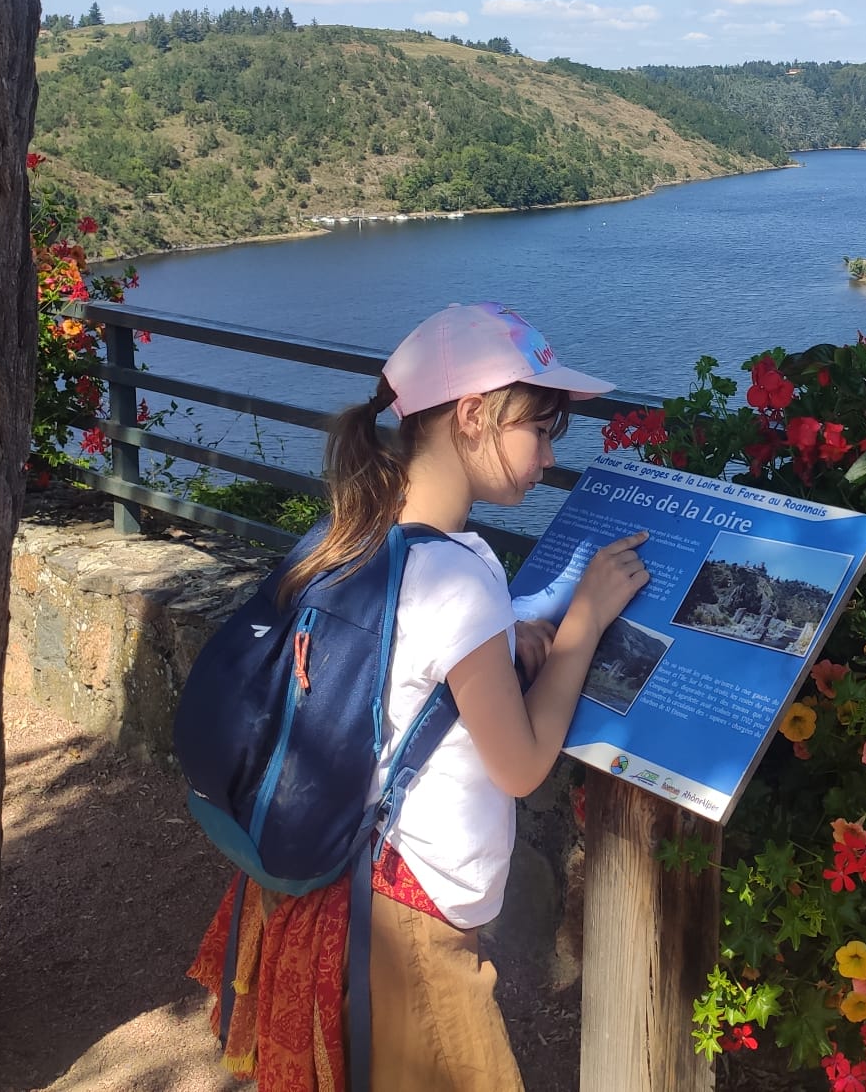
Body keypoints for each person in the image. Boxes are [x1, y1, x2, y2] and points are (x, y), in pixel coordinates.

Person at [189, 302, 649, 1090]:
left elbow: (416, 666)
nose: (546, 457)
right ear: (472, 416)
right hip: (409, 916)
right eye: (539, 430)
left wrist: (509, 647)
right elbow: (522, 764)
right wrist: (583, 621)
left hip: (345, 871)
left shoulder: (360, 527)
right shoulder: (461, 573)